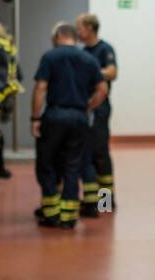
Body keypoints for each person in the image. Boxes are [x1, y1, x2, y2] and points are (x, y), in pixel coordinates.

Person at [33, 22, 108, 229]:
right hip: (79, 118)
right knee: (73, 166)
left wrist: (35, 118)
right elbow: (102, 89)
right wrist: (87, 107)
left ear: (58, 36)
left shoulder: (50, 57)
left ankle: (51, 214)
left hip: (55, 115)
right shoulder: (89, 59)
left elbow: (40, 88)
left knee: (46, 164)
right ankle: (69, 217)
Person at [76, 12, 118, 216]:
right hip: (86, 106)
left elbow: (112, 72)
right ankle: (91, 200)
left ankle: (107, 201)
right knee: (87, 154)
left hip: (100, 107)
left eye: (80, 28)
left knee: (100, 153)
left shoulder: (104, 49)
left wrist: (93, 71)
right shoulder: (83, 51)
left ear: (90, 28)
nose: (78, 32)